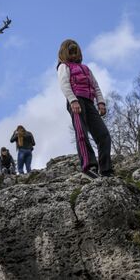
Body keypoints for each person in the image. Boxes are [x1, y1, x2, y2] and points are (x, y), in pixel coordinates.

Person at [57, 39, 113, 179]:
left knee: (103, 135)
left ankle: (106, 170)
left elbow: (96, 86)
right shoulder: (64, 67)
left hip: (90, 102)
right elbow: (64, 84)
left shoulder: (86, 68)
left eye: (76, 52)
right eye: (71, 52)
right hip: (76, 101)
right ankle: (89, 167)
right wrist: (73, 101)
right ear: (65, 53)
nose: (74, 55)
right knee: (81, 133)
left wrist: (101, 102)